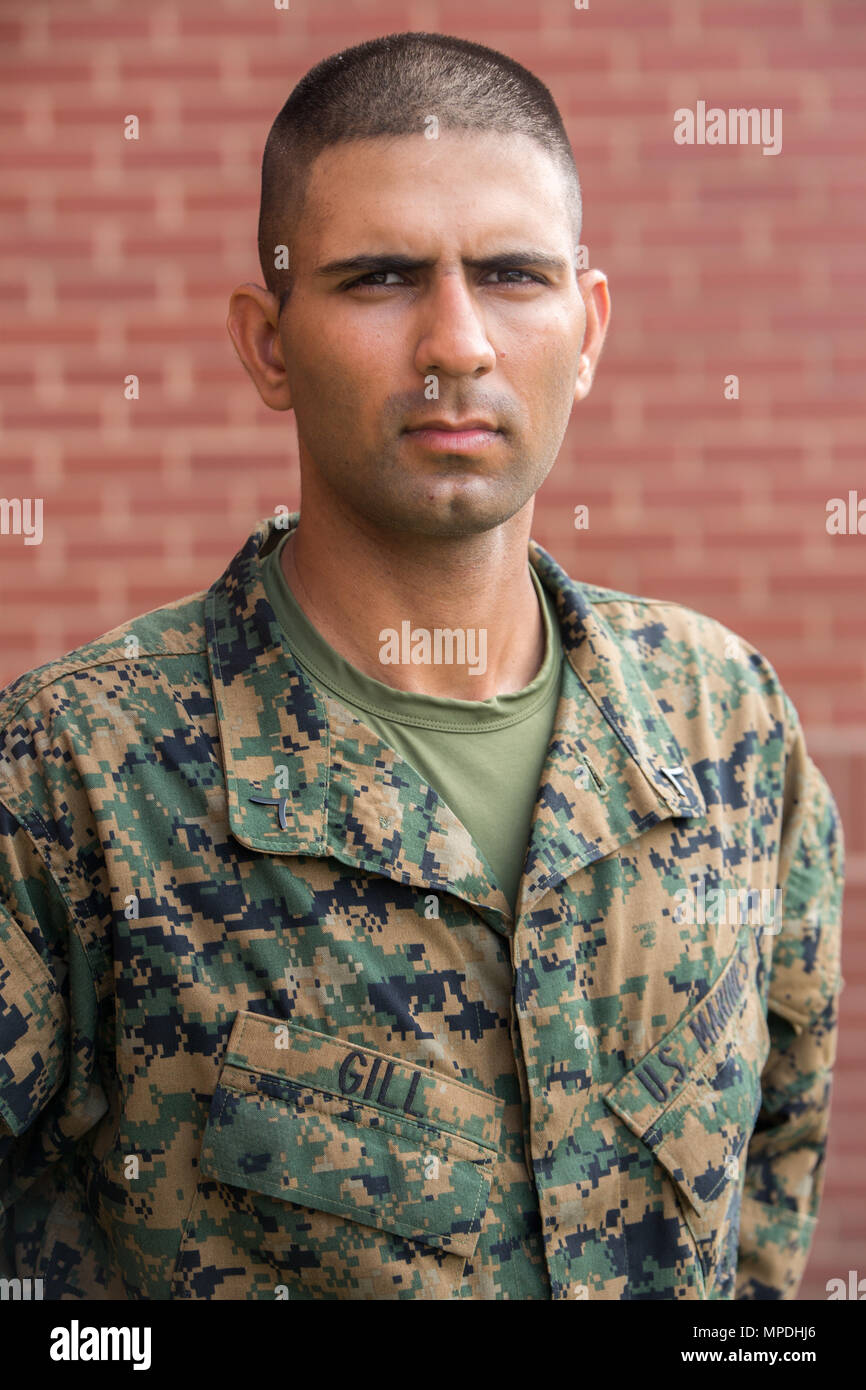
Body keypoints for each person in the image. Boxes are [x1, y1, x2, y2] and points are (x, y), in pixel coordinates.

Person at [0, 32, 844, 1301]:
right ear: (267, 342)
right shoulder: (74, 774)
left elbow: (770, 1183)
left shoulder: (722, 722)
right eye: (380, 277)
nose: (456, 342)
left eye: (510, 274)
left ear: (588, 323)